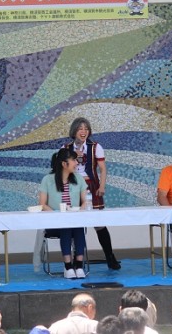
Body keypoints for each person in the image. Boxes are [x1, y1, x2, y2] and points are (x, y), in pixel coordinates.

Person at [63, 117, 120, 270]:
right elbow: (61, 169)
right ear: (74, 131)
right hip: (72, 186)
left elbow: (102, 168)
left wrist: (102, 186)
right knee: (74, 223)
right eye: (80, 129)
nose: (84, 132)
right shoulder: (66, 147)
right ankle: (76, 259)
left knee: (99, 223)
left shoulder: (95, 147)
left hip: (91, 185)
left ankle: (110, 256)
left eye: (86, 129)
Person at [38, 148, 88, 279]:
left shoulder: (79, 179)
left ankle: (79, 265)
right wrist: (58, 215)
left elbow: (85, 202)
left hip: (74, 221)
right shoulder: (47, 180)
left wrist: (80, 210)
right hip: (54, 223)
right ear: (64, 164)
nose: (77, 163)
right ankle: (68, 266)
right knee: (66, 225)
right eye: (74, 160)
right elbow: (42, 204)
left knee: (77, 226)